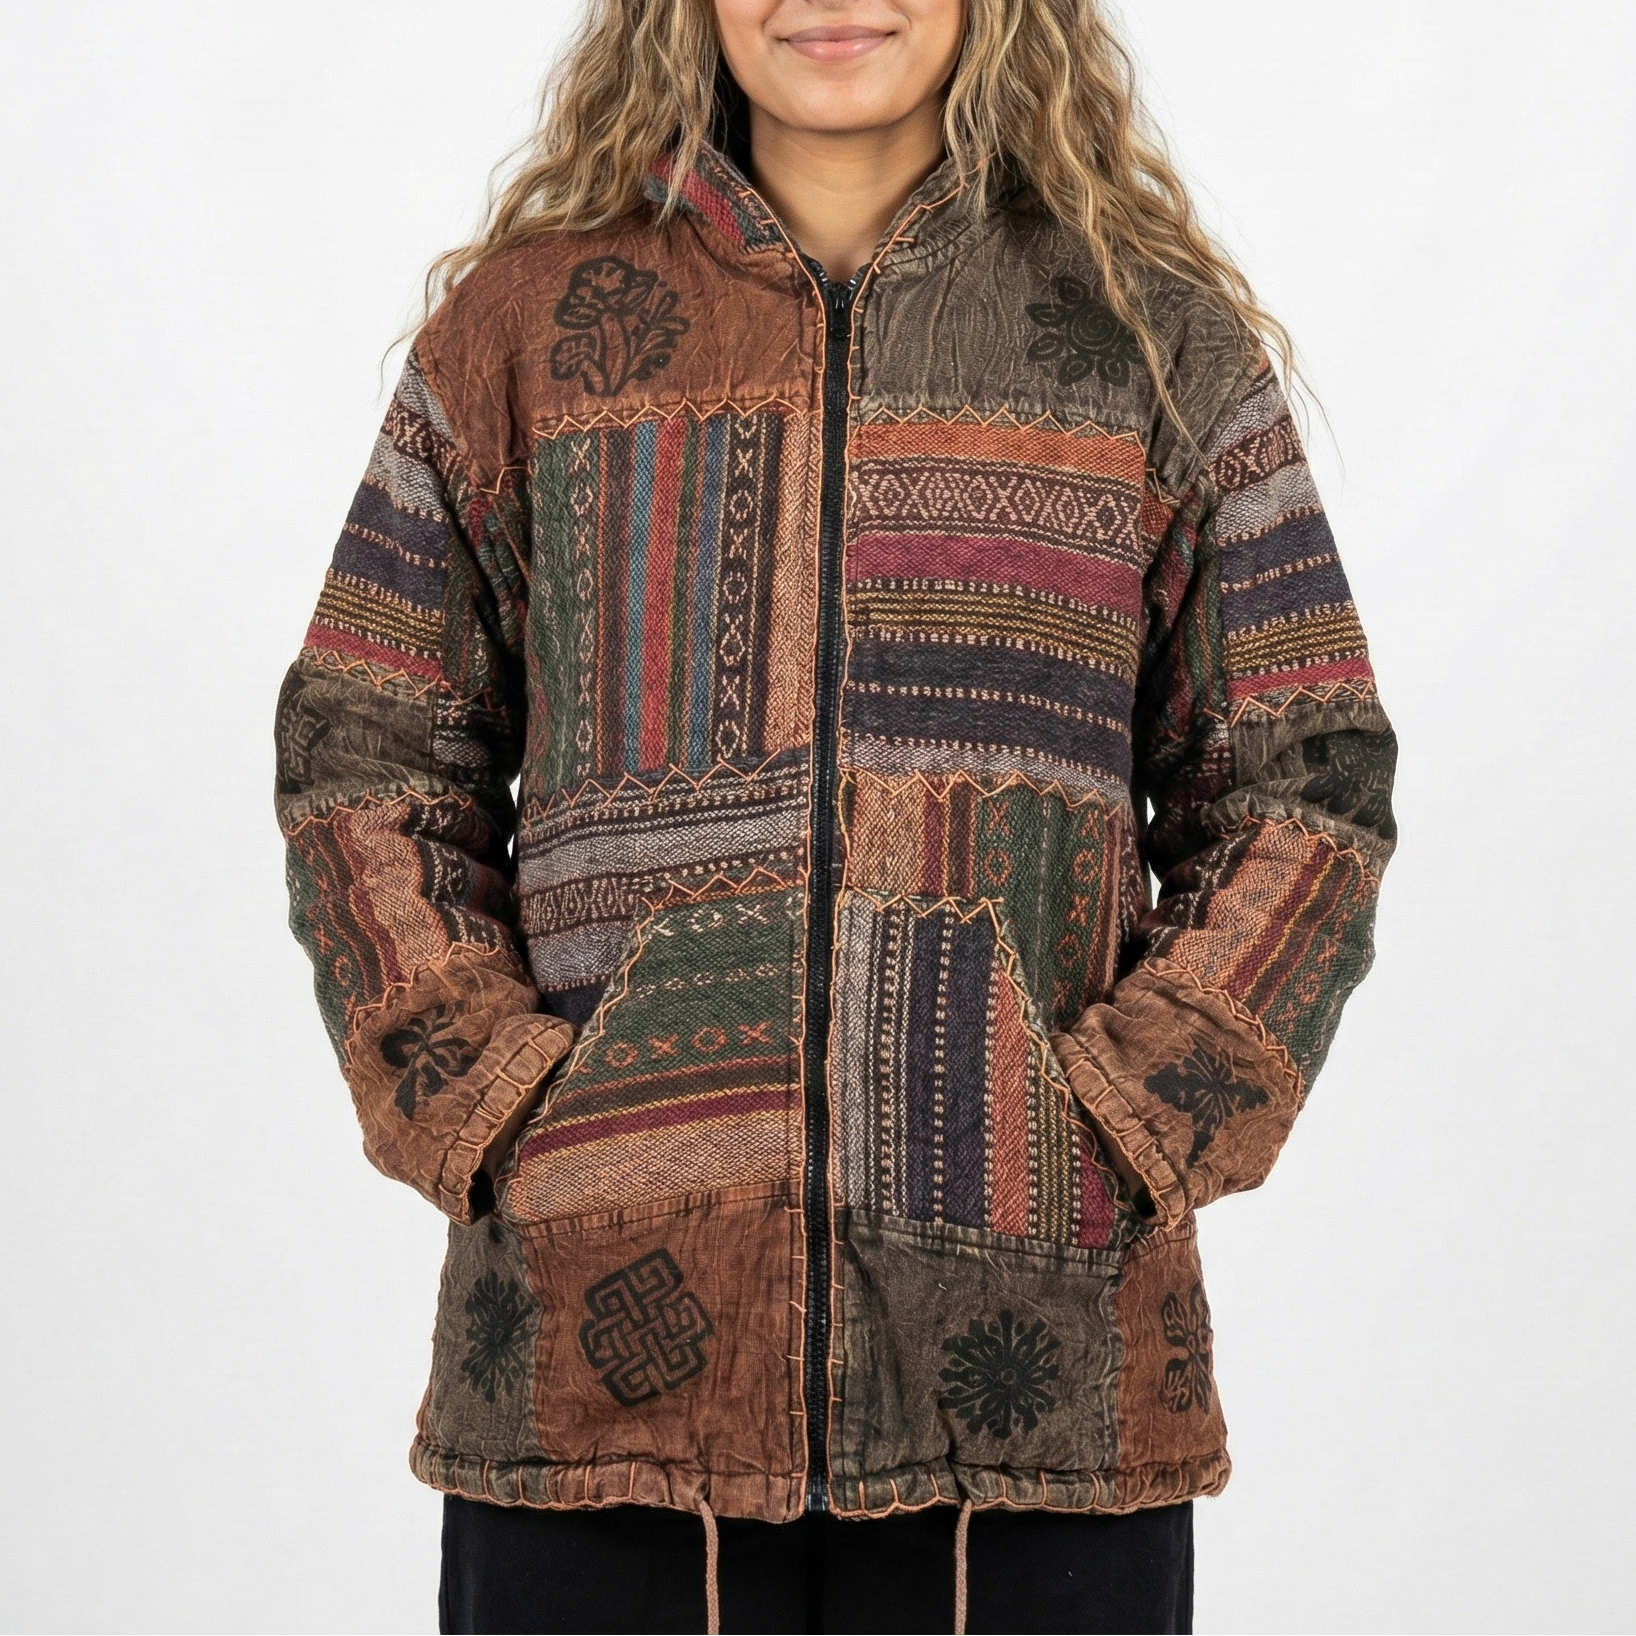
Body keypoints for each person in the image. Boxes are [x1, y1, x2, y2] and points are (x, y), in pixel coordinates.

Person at [274, 1, 1396, 1630]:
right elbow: (366, 757)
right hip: (596, 1394)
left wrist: (1119, 1126)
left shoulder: (1149, 343)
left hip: (1036, 1398)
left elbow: (1309, 785)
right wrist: (507, 1111)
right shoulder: (526, 337)